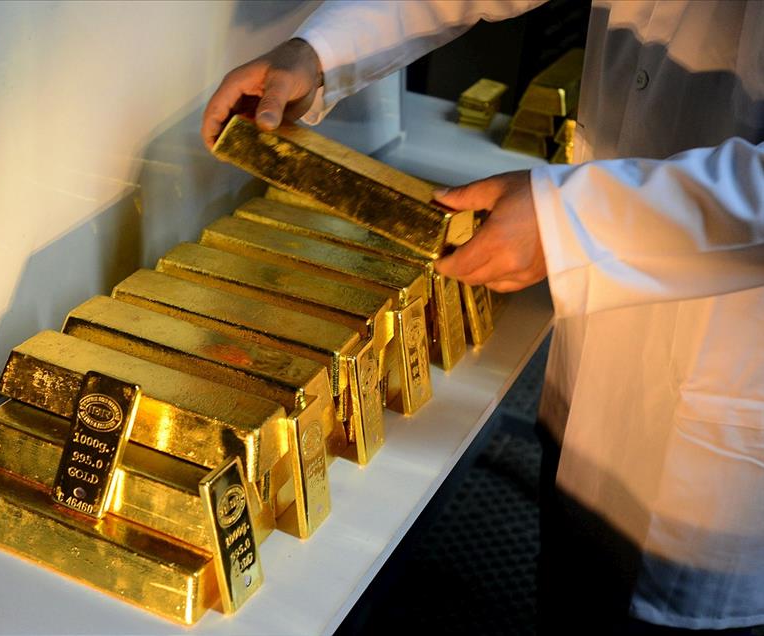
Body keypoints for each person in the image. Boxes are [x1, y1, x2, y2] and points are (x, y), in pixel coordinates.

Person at [202, 1, 764, 633]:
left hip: (730, 374)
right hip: (597, 350)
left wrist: (573, 222)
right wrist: (322, 50)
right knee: (569, 580)